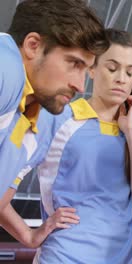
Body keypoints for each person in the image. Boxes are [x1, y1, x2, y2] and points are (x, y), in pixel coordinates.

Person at [0, 29, 132, 263]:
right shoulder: (54, 119)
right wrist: (28, 235)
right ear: (92, 69)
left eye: (130, 71)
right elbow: (3, 188)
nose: (121, 78)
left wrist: (131, 133)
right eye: (112, 68)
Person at [0, 0, 108, 214]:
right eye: (74, 64)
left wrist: (28, 235)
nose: (80, 86)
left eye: (85, 70)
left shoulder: (38, 125)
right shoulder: (6, 67)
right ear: (33, 46)